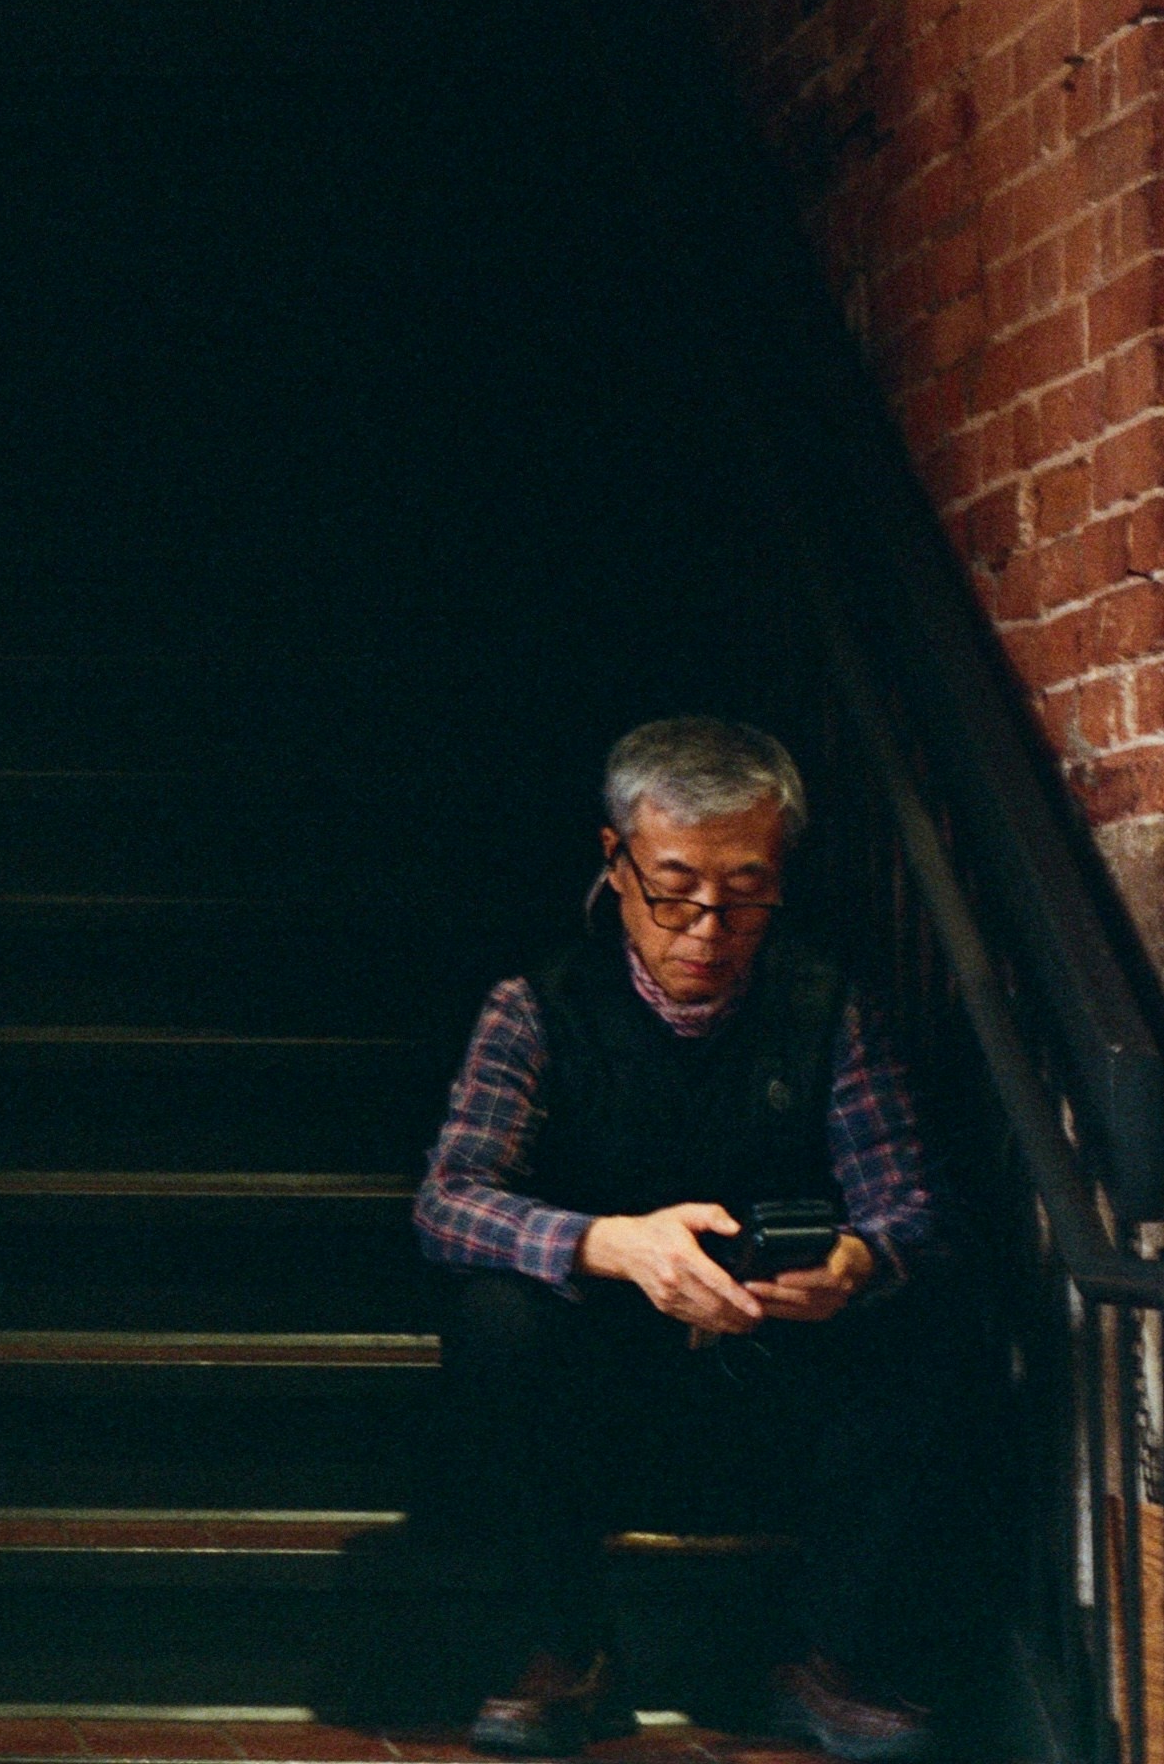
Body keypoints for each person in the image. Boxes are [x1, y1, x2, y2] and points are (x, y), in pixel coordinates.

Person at [415, 717, 950, 1761]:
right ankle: (567, 1648)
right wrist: (609, 1243)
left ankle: (821, 1655)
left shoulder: (824, 1006)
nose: (706, 924)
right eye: (673, 887)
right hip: (596, 1387)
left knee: (927, 1308)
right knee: (492, 1312)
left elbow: (909, 1206)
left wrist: (854, 1262)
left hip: (767, 1379)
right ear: (613, 863)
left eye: (744, 891)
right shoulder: (534, 1007)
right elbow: (446, 1198)